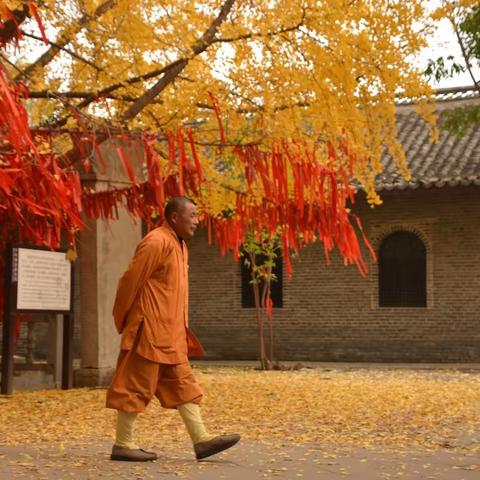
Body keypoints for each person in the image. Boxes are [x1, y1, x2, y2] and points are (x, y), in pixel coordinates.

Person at [106, 196, 240, 462]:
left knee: (184, 386)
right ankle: (123, 444)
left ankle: (201, 440)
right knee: (135, 386)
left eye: (197, 215)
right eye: (191, 215)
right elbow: (128, 281)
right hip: (151, 332)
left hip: (172, 335)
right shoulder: (156, 241)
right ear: (174, 217)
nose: (196, 221)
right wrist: (123, 320)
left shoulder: (179, 245)